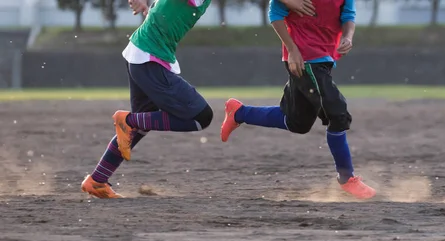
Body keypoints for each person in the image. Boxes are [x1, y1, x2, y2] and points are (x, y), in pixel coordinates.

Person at [81, 0, 317, 199]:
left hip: (143, 55)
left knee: (143, 125)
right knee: (200, 117)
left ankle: (98, 180)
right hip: (148, 58)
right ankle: (128, 121)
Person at [220, 0, 376, 199]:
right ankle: (347, 178)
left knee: (297, 122)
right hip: (304, 59)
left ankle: (239, 112)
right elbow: (275, 13)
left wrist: (348, 37)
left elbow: (348, 16)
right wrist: (292, 49)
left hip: (324, 58)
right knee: (338, 113)